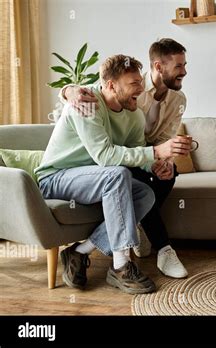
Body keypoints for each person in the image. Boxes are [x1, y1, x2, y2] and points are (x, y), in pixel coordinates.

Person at [35, 54, 169, 294]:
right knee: (117, 175)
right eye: (134, 84)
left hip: (93, 179)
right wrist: (154, 151)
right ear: (110, 85)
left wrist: (156, 163)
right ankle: (121, 267)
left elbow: (135, 151)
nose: (141, 88)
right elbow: (105, 157)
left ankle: (79, 251)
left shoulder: (134, 114)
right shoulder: (86, 103)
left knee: (145, 194)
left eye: (140, 81)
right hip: (56, 177)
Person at [61, 39, 190, 279]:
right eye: (179, 65)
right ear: (159, 67)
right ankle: (156, 250)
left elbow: (158, 140)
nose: (184, 71)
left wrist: (160, 162)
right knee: (123, 174)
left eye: (185, 65)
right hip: (109, 162)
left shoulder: (176, 101)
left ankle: (91, 247)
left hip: (137, 154)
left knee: (161, 180)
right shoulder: (121, 93)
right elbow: (91, 92)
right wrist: (68, 90)